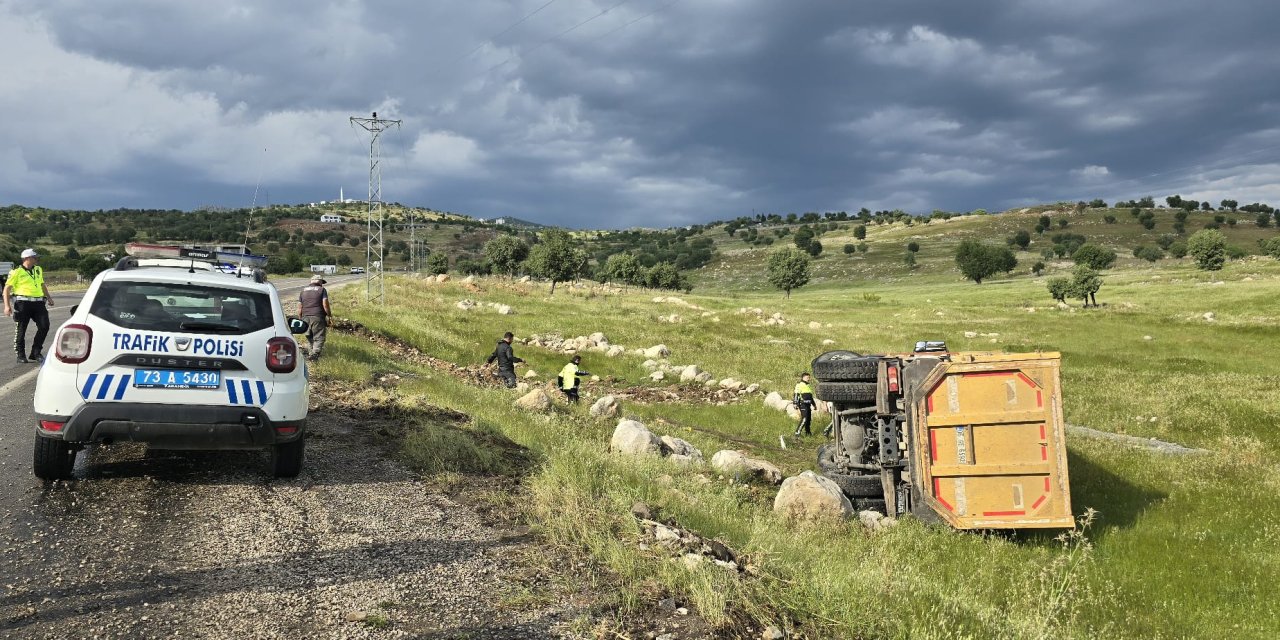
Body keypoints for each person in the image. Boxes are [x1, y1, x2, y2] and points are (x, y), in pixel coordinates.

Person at [3, 249, 54, 363]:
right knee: (21, 329)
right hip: (23, 304)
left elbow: (42, 284)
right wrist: (7, 306)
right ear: (27, 258)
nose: (37, 259)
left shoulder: (38, 270)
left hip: (39, 303)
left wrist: (49, 297)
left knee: (44, 326)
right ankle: (21, 355)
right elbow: (6, 289)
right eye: (35, 257)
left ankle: (36, 353)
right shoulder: (16, 272)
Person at [298, 274, 331, 361]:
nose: (322, 284)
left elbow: (300, 307)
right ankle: (315, 354)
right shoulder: (322, 290)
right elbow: (325, 304)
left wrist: (300, 318)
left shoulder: (303, 291)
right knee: (319, 337)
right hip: (317, 316)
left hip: (305, 317)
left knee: (309, 337)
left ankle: (311, 354)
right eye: (321, 282)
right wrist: (329, 314)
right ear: (319, 282)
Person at [793, 372, 817, 437]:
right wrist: (795, 403)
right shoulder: (799, 385)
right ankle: (797, 432)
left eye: (809, 377)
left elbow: (810, 397)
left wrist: (814, 405)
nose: (809, 379)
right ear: (803, 377)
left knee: (808, 419)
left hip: (808, 404)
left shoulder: (808, 386)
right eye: (807, 377)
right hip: (802, 404)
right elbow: (796, 394)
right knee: (804, 418)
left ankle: (808, 433)